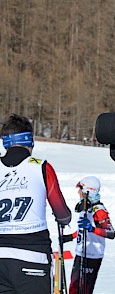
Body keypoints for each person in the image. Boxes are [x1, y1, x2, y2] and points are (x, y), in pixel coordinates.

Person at [0, 114, 71, 293]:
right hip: (32, 256)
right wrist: (64, 219)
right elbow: (62, 212)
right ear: (30, 141)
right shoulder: (40, 167)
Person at [62, 176, 115, 294]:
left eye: (80, 189)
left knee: (84, 290)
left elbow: (111, 233)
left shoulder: (99, 211)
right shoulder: (84, 208)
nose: (78, 192)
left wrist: (92, 229)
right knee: (73, 288)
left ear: (88, 191)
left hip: (92, 256)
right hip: (80, 253)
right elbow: (82, 229)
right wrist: (70, 237)